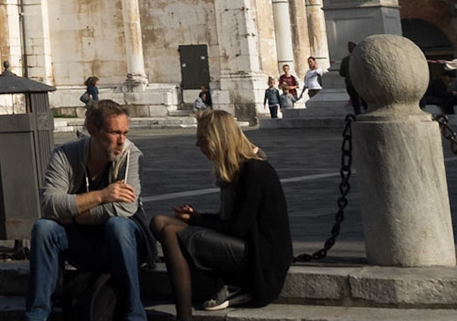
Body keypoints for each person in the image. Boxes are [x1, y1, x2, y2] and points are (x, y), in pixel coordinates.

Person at [151, 109, 291, 316]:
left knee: (171, 233)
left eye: (203, 140)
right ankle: (209, 284)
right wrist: (196, 217)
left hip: (261, 261)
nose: (198, 146)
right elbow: (233, 223)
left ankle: (184, 315)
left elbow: (236, 227)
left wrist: (198, 220)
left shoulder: (254, 171)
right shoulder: (237, 170)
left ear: (219, 139)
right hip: (245, 246)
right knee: (159, 222)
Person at [23, 98, 146, 321]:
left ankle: (135, 315)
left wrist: (75, 217)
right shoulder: (65, 156)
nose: (121, 140)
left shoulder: (130, 154)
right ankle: (37, 316)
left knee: (118, 225)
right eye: (114, 133)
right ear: (93, 130)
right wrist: (101, 195)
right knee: (44, 228)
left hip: (123, 243)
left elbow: (125, 207)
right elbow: (49, 204)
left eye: (125, 133)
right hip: (83, 243)